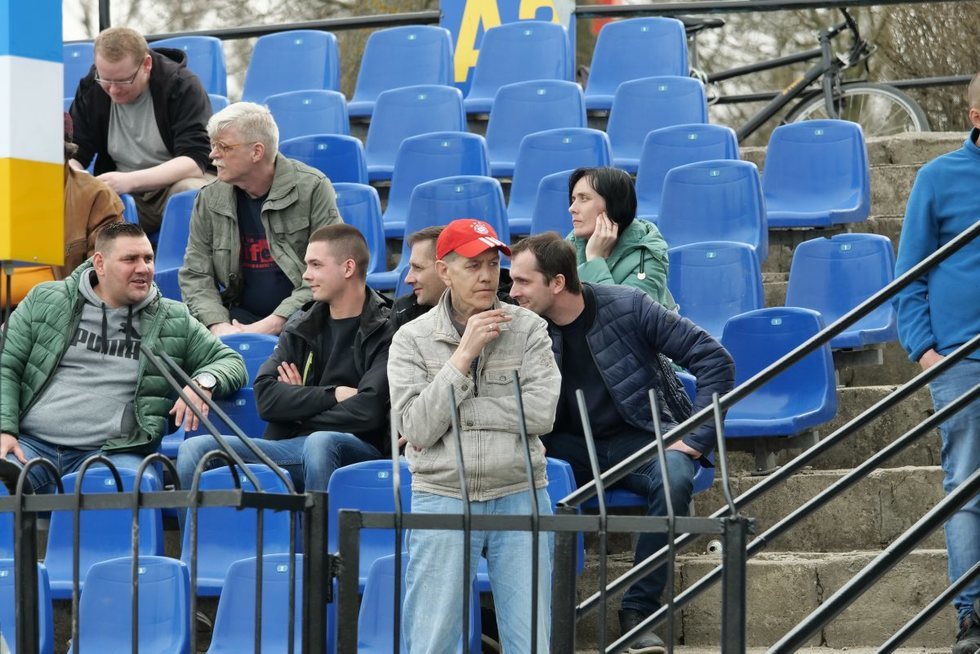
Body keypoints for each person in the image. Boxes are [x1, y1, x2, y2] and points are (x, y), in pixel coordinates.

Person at [510, 232, 736, 653]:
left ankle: (639, 614)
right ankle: (528, 617)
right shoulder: (519, 323)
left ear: (557, 283)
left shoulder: (628, 306)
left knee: (674, 479)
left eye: (523, 282)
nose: (513, 291)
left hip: (639, 436)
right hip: (564, 447)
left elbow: (714, 360)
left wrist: (695, 437)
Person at [388, 218, 561, 654]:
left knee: (531, 640)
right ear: (444, 271)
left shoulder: (528, 329)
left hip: (520, 488)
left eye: (491, 263)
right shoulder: (411, 338)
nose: (487, 275)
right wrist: (462, 356)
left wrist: (458, 414)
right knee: (433, 641)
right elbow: (415, 427)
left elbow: (541, 414)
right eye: (472, 265)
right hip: (442, 491)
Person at [0, 223, 247, 493]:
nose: (143, 268)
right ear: (100, 264)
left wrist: (205, 382)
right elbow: (6, 365)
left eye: (148, 258)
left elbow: (231, 360)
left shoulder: (172, 318)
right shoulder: (46, 300)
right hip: (31, 445)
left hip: (111, 452)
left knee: (120, 486)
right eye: (130, 259)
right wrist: (5, 429)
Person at [176, 224, 393, 492]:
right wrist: (332, 395)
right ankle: (199, 535)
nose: (306, 275)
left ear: (348, 268)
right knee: (194, 449)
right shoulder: (302, 324)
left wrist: (298, 407)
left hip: (357, 450)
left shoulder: (386, 327)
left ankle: (321, 534)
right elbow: (266, 399)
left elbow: (369, 410)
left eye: (315, 265)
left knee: (320, 443)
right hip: (288, 447)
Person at [894, 72, 980, 654]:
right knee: (968, 489)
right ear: (977, 115)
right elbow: (908, 277)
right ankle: (972, 617)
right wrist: (925, 349)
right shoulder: (937, 178)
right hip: (962, 359)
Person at [179, 102, 342, 336]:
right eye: (213, 145)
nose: (213, 155)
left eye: (223, 147)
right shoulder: (209, 197)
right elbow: (196, 274)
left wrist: (275, 322)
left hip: (305, 317)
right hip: (237, 319)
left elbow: (328, 269)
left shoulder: (312, 188)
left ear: (256, 151)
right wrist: (218, 325)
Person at [68, 26, 212, 232]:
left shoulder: (182, 86)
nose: (114, 90)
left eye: (123, 81)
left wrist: (130, 181)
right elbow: (76, 151)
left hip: (174, 184)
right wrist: (74, 179)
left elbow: (195, 160)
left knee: (188, 193)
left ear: (146, 64)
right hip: (125, 197)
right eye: (105, 80)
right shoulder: (91, 88)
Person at [1, 112, 125, 305]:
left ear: (64, 154)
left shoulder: (96, 197)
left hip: (56, 314)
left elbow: (104, 274)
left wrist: (28, 320)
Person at [566, 166, 675, 308]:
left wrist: (594, 259)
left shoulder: (648, 258)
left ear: (613, 205)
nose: (572, 208)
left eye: (584, 198)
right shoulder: (572, 244)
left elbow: (626, 321)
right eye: (573, 199)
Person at [391, 226, 446, 328]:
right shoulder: (404, 312)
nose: (407, 279)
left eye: (418, 267)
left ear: (444, 269)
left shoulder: (483, 309)